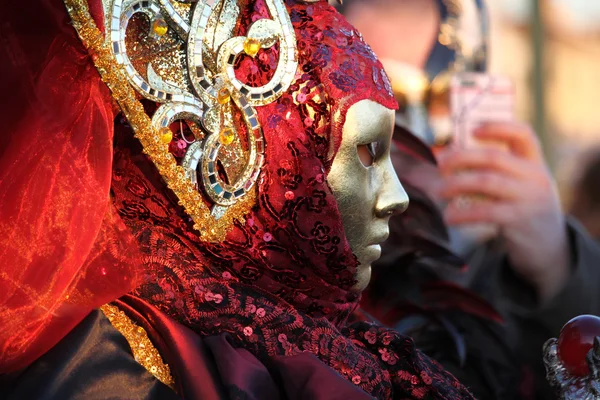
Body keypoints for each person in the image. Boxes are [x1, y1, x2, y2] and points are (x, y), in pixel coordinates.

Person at [0, 0, 485, 398]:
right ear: (250, 165)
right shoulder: (106, 366)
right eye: (365, 152)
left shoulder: (334, 336)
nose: (397, 198)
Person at [342, 0, 600, 398]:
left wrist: (558, 267)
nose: (414, 137)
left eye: (443, 99)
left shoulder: (502, 263)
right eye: (375, 93)